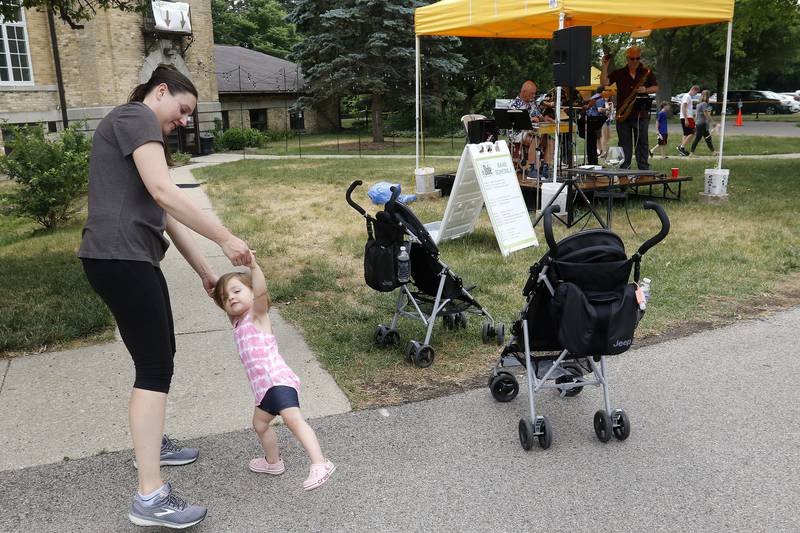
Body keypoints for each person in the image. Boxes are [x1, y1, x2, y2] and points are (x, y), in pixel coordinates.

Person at [78, 65, 252, 529]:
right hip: (120, 258)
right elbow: (164, 192)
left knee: (160, 355)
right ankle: (149, 496)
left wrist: (205, 271)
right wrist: (226, 238)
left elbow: (163, 211)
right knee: (155, 367)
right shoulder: (136, 117)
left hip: (126, 258)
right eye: (182, 109)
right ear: (160, 91)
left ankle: (153, 445)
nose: (184, 121)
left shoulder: (135, 128)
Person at [213, 258, 336, 491]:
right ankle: (273, 463)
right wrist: (213, 284)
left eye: (237, 290)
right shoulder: (237, 324)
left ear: (252, 293)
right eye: (225, 297)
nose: (230, 297)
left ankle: (320, 462)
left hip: (277, 380)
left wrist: (254, 268)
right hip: (263, 391)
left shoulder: (257, 316)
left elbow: (260, 293)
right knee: (260, 424)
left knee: (293, 420)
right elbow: (219, 294)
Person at [600, 46, 659, 170]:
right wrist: (604, 66)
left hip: (641, 114)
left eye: (638, 58)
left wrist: (646, 89)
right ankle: (624, 169)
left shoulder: (646, 72)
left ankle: (643, 169)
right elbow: (604, 83)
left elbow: (656, 87)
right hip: (623, 115)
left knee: (642, 142)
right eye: (633, 58)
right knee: (624, 144)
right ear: (627, 58)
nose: (636, 61)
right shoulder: (619, 73)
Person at [510, 80, 554, 178]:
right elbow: (517, 124)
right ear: (524, 92)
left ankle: (546, 167)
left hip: (534, 132)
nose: (533, 96)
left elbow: (539, 116)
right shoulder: (515, 105)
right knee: (536, 139)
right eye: (531, 94)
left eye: (534, 94)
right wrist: (530, 119)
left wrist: (544, 119)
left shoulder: (532, 103)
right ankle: (531, 167)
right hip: (518, 133)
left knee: (550, 140)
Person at [582, 85, 607, 165]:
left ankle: (593, 160)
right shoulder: (599, 98)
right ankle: (594, 161)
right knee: (594, 140)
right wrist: (608, 109)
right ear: (603, 91)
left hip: (590, 121)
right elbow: (599, 110)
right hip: (594, 121)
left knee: (593, 141)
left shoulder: (594, 97)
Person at [689, 90, 717, 156]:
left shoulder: (699, 104)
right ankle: (691, 153)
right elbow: (706, 114)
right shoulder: (704, 104)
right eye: (708, 96)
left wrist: (695, 124)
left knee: (708, 138)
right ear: (707, 96)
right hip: (702, 124)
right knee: (698, 138)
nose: (708, 98)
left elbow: (696, 116)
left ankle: (713, 152)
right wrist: (712, 122)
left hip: (699, 124)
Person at [678, 85, 700, 156]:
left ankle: (682, 150)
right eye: (696, 93)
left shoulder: (686, 96)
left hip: (687, 117)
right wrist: (686, 119)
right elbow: (684, 107)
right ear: (694, 90)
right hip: (687, 117)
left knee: (686, 134)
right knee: (692, 133)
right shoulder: (687, 96)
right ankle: (681, 147)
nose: (695, 94)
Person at [599, 89, 614, 158]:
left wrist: (610, 109)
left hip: (608, 120)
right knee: (603, 136)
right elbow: (599, 110)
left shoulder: (608, 101)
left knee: (608, 136)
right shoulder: (600, 101)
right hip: (602, 120)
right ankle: (603, 152)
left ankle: (603, 150)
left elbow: (610, 111)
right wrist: (608, 109)